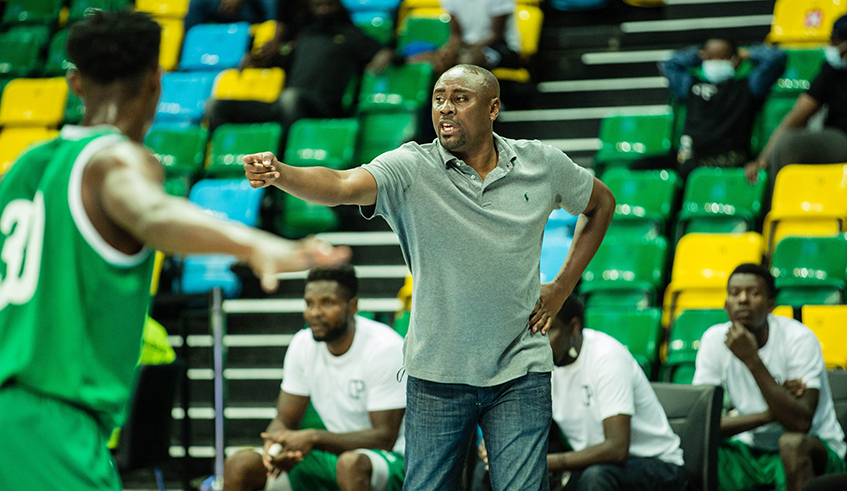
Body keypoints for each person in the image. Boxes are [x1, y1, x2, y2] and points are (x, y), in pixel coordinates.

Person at [0, 11, 348, 491]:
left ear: (75, 83)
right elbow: (150, 213)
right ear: (156, 81)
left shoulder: (23, 169)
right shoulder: (116, 157)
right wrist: (255, 245)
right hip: (50, 427)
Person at [242, 64, 616, 490]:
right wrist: (282, 174)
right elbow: (342, 184)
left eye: (460, 98)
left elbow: (601, 204)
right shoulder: (411, 167)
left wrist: (562, 286)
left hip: (520, 370)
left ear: (493, 108)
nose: (445, 108)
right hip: (437, 375)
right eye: (439, 98)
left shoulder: (540, 163)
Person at [473, 296, 688, 491]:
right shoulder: (540, 362)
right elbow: (520, 425)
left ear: (573, 327)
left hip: (656, 466)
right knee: (487, 473)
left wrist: (542, 461)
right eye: (532, 331)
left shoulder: (607, 357)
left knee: (595, 478)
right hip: (589, 466)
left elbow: (617, 448)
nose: (538, 341)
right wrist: (500, 445)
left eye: (547, 331)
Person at [223, 265, 406, 491]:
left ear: (353, 306)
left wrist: (313, 437)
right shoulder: (303, 344)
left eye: (327, 303)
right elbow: (285, 419)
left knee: (351, 464)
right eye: (309, 303)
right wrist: (275, 446)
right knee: (239, 464)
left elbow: (384, 438)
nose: (315, 312)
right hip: (333, 456)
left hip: (393, 460)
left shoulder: (383, 348)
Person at [692, 263, 847, 491]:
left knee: (791, 444)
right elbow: (703, 425)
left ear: (770, 305)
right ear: (726, 305)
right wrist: (769, 414)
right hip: (751, 450)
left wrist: (752, 359)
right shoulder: (713, 340)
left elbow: (800, 423)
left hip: (815, 446)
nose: (742, 299)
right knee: (701, 447)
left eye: (753, 293)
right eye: (734, 294)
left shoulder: (799, 339)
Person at [206, 0, 397, 139]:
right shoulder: (305, 34)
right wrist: (258, 61)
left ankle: (284, 173)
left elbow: (384, 53)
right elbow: (284, 61)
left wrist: (385, 56)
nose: (322, 3)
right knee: (216, 107)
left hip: (323, 109)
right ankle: (229, 168)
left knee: (290, 99)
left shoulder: (352, 35)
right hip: (286, 106)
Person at [659, 38, 785, 181]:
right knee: (640, 166)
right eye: (711, 57)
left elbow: (776, 58)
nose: (716, 61)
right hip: (691, 161)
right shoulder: (690, 85)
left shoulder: (749, 87)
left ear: (735, 60)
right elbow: (668, 64)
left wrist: (747, 52)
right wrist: (697, 55)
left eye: (723, 57)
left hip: (730, 161)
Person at [748, 15, 847, 185]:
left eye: (835, 42)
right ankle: (777, 209)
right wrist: (762, 160)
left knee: (790, 146)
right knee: (787, 144)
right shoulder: (832, 70)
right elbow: (796, 117)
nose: (831, 47)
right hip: (838, 135)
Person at [409, 0, 521, 75]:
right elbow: (456, 35)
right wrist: (448, 50)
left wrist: (464, 49)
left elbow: (496, 35)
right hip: (468, 46)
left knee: (466, 62)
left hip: (500, 47)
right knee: (436, 58)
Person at [185, 0, 277, 32]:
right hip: (221, 6)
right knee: (196, 4)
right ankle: (191, 56)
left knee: (272, 3)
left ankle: (263, 51)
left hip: (252, 8)